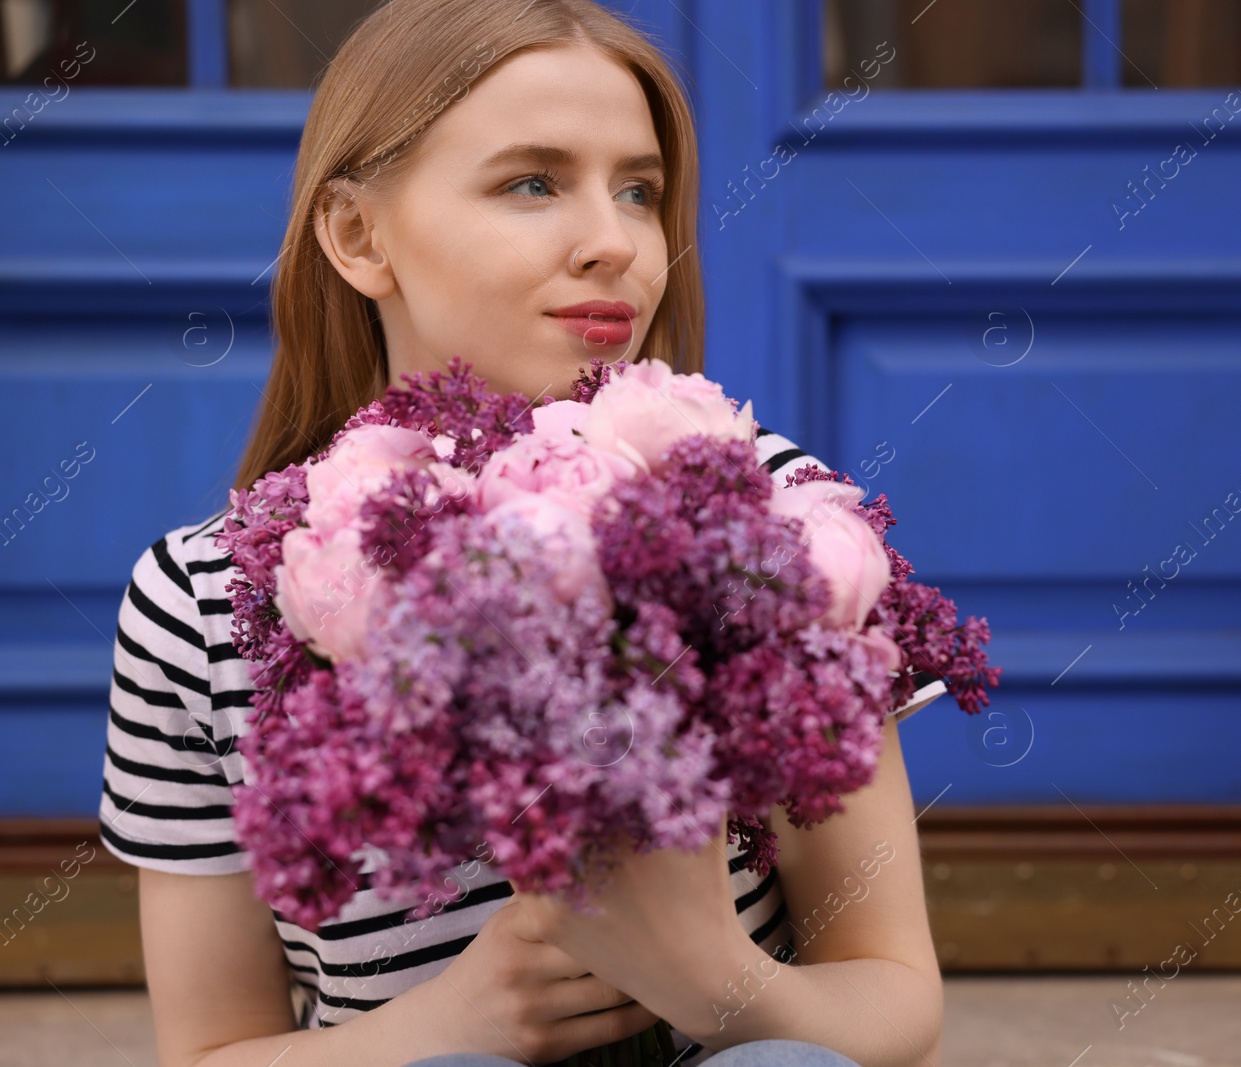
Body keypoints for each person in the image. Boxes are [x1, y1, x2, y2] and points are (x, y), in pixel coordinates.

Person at [98, 2, 946, 1064]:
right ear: (359, 235)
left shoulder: (771, 518)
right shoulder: (200, 600)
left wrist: (720, 982)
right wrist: (448, 1023)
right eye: (532, 183)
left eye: (638, 189)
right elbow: (211, 1051)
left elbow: (894, 999)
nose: (615, 242)